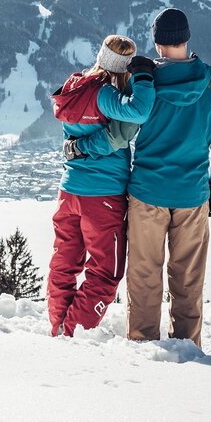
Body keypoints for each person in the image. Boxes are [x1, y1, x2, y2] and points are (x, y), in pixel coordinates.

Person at [118, 8, 211, 347]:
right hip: (192, 195)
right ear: (186, 39)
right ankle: (187, 351)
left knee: (144, 277)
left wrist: (81, 145)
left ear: (157, 42)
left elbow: (122, 134)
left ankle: (142, 348)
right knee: (188, 280)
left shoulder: (146, 81)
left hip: (147, 194)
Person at [46, 35, 156, 337]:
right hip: (103, 196)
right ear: (123, 67)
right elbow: (140, 111)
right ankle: (73, 333)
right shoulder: (105, 94)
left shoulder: (75, 87)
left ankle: (58, 328)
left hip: (69, 191)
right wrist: (143, 77)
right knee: (106, 272)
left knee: (64, 263)